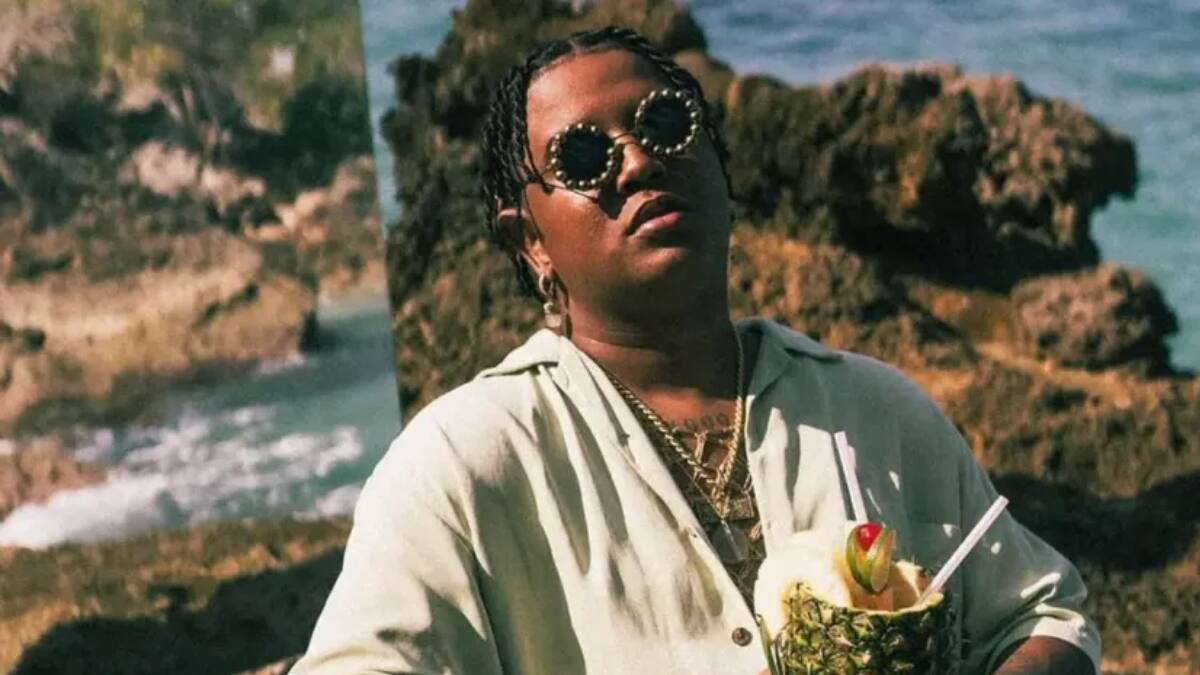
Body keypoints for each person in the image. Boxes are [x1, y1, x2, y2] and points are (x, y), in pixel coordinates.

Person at [291, 26, 1100, 675]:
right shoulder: (464, 459)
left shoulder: (874, 410)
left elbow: (1044, 613)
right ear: (529, 238)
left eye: (666, 124)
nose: (640, 160)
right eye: (583, 157)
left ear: (721, 166)